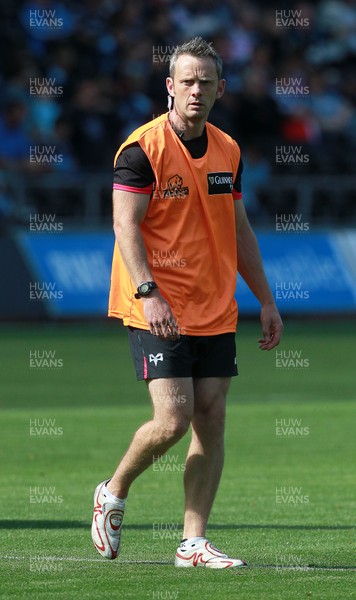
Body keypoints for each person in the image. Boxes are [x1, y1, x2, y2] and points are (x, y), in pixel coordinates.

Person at [91, 37, 283, 569]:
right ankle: (113, 491)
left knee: (212, 418)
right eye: (187, 81)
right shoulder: (141, 150)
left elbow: (238, 228)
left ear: (221, 88)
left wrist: (266, 298)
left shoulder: (229, 150)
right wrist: (148, 292)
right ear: (170, 87)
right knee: (173, 419)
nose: (197, 89)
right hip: (156, 302)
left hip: (214, 304)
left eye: (207, 81)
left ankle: (192, 544)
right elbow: (124, 226)